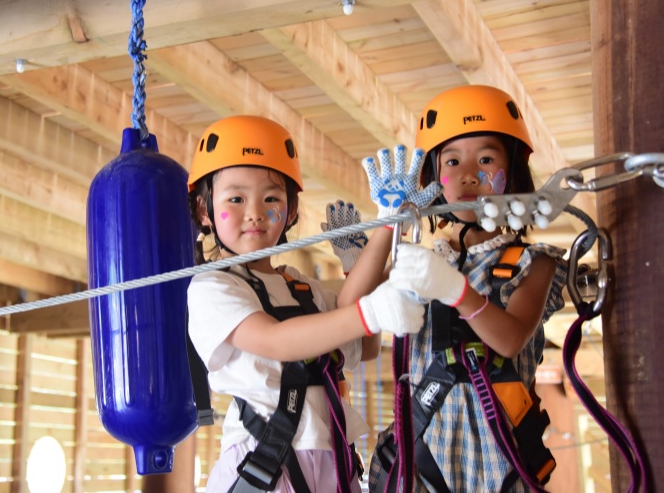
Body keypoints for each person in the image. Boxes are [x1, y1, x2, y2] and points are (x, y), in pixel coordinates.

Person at [185, 115, 427, 493]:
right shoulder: (212, 288)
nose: (255, 212)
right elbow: (277, 340)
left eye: (271, 198)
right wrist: (371, 311)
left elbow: (361, 344)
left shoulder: (301, 288)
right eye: (236, 199)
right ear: (204, 210)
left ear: (292, 210)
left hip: (333, 461)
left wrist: (386, 226)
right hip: (262, 462)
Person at [346, 85, 569, 492]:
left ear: (513, 173)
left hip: (499, 466)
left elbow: (510, 340)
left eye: (485, 159)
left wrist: (455, 290)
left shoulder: (533, 263)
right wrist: (388, 223)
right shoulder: (416, 266)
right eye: (452, 160)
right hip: (420, 462)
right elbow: (349, 314)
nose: (468, 173)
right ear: (434, 179)